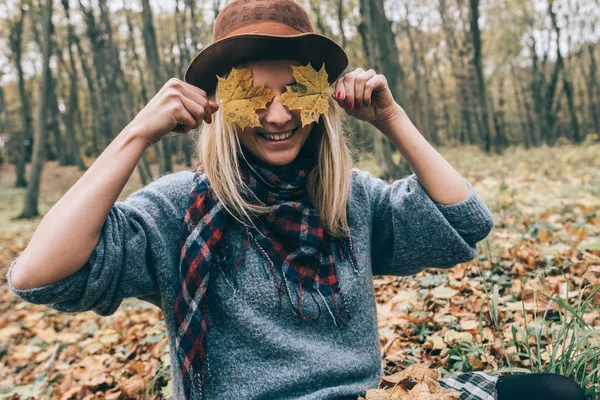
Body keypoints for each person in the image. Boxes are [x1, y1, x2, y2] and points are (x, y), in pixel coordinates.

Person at [6, 1, 586, 399]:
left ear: (323, 99)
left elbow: (465, 221)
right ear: (218, 105)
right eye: (253, 96)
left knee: (554, 393)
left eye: (294, 94)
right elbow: (38, 276)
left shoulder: (347, 199)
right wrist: (135, 135)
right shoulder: (178, 211)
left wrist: (392, 118)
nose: (278, 116)